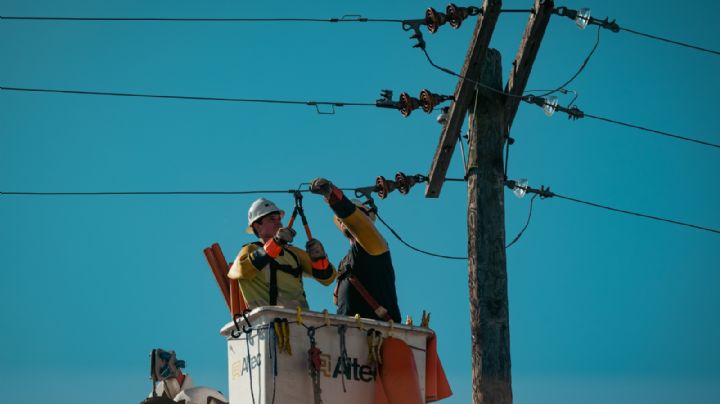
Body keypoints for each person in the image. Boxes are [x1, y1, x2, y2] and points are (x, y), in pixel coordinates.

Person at [309, 178, 401, 322]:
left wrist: (331, 193)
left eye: (343, 217)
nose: (343, 221)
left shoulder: (376, 244)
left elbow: (355, 221)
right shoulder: (345, 262)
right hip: (347, 332)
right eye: (340, 220)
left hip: (378, 331)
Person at [227, 198, 336, 310]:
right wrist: (274, 244)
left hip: (301, 321)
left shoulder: (293, 253)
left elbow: (327, 279)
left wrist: (320, 259)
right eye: (272, 219)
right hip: (268, 320)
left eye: (279, 219)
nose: (278, 223)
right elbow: (239, 270)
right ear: (257, 226)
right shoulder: (250, 250)